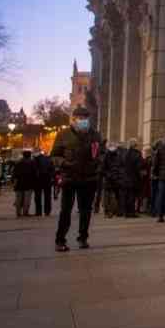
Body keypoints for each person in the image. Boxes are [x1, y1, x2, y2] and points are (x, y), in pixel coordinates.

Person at [51, 107, 104, 251]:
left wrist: (98, 163)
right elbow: (54, 156)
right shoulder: (63, 134)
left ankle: (83, 238)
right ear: (73, 119)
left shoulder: (95, 135)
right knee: (65, 210)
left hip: (89, 179)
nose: (83, 121)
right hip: (69, 178)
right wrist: (64, 163)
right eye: (80, 118)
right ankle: (60, 240)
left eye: (85, 119)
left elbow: (102, 153)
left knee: (86, 211)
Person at [120, 139, 143, 218]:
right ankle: (132, 212)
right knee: (132, 196)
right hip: (134, 178)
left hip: (125, 177)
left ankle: (126, 212)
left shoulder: (124, 153)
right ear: (135, 145)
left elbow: (121, 165)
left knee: (126, 195)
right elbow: (139, 167)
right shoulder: (137, 154)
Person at [100, 142, 123, 217]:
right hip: (111, 178)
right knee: (110, 196)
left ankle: (112, 211)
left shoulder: (115, 155)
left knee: (112, 196)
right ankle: (110, 211)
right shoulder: (113, 155)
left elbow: (121, 166)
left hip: (113, 178)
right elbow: (103, 168)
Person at [12, 150, 37, 217]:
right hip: (29, 183)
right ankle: (25, 212)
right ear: (30, 156)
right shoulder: (32, 163)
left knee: (19, 198)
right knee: (27, 198)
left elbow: (14, 174)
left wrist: (14, 182)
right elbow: (35, 174)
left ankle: (18, 212)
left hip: (19, 183)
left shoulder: (18, 163)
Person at [34, 150, 56, 216]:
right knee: (47, 196)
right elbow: (53, 170)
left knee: (38, 196)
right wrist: (52, 177)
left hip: (38, 179)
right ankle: (47, 211)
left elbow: (34, 170)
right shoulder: (49, 159)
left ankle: (38, 212)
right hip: (47, 179)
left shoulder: (36, 159)